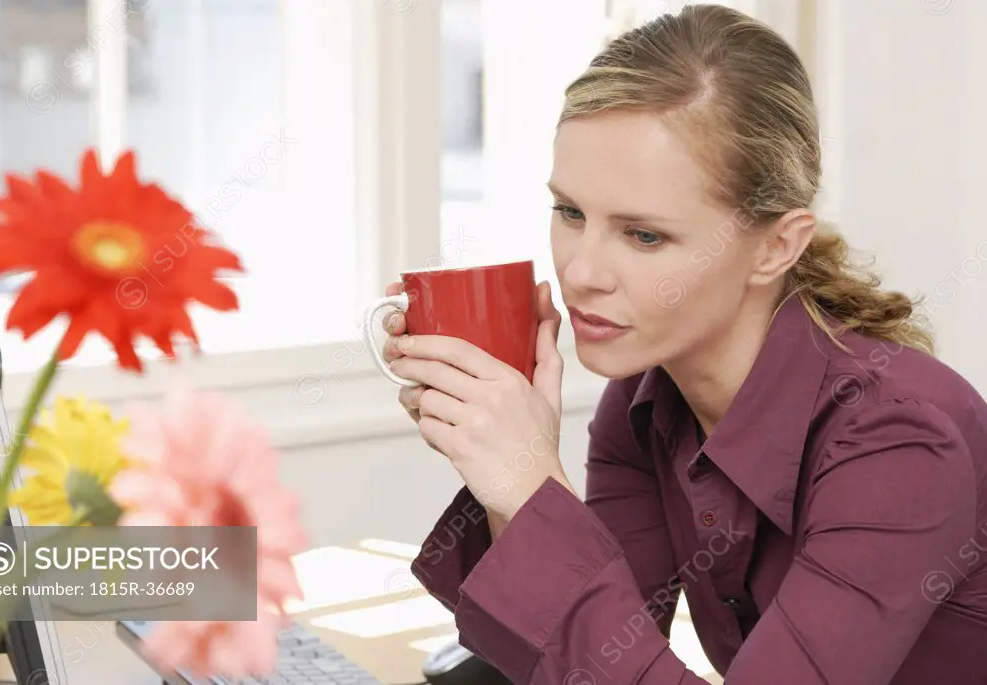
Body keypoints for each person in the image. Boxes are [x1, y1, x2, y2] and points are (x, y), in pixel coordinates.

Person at [379, 5, 987, 684]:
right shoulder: (643, 401)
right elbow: (593, 660)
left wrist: (529, 489)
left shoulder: (899, 444)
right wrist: (503, 463)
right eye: (571, 213)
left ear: (777, 245)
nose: (580, 273)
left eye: (644, 235)